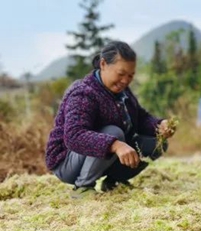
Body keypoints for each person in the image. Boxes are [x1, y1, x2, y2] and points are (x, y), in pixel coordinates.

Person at [45, 41, 175, 198]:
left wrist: (159, 125)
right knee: (115, 133)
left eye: (130, 75)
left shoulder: (122, 91)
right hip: (67, 162)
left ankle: (113, 181)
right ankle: (83, 187)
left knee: (157, 144)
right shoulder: (83, 93)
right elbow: (74, 136)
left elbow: (140, 118)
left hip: (100, 157)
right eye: (121, 74)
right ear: (103, 64)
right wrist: (115, 145)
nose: (126, 81)